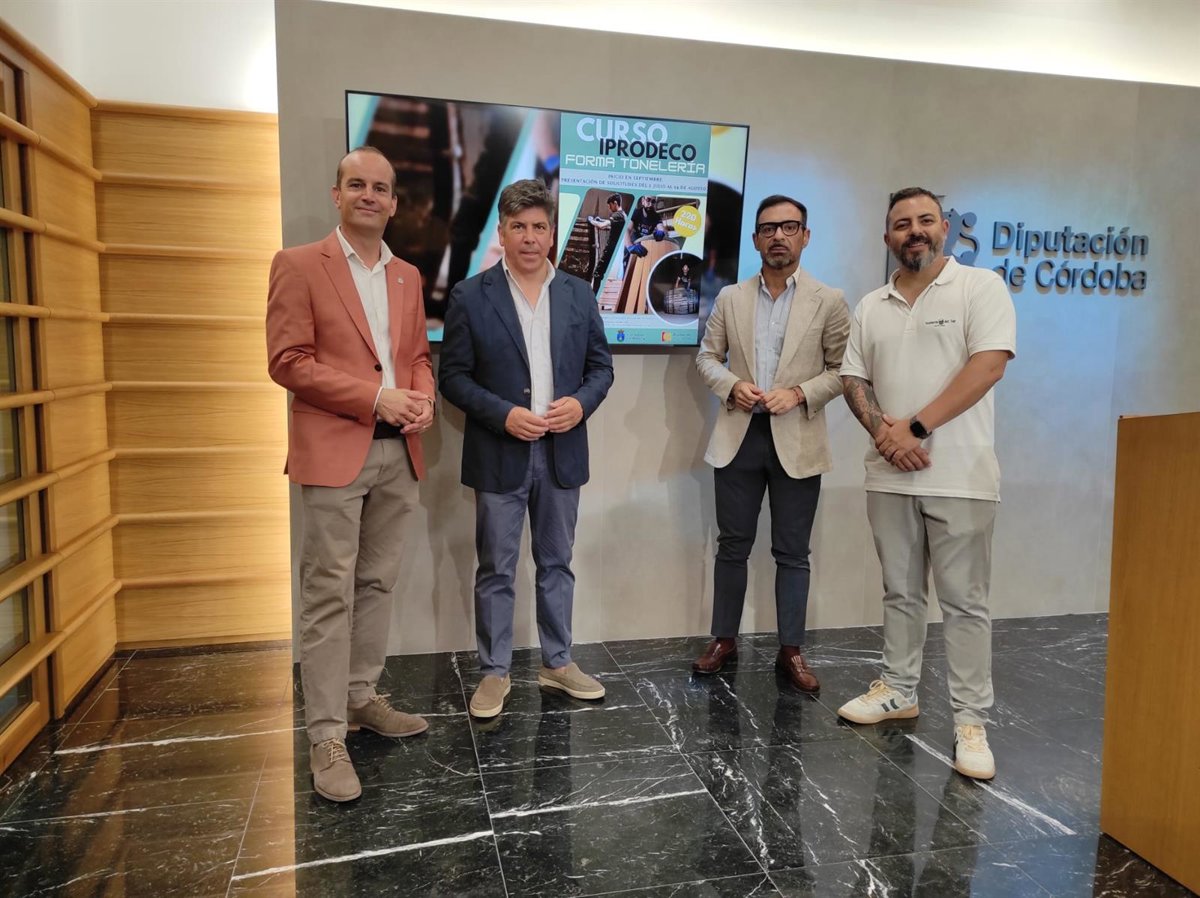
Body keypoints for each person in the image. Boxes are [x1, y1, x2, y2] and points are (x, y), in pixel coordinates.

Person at [265, 146, 435, 802]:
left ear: (393, 203)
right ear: (336, 194)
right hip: (336, 449)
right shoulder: (299, 264)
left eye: (381, 188)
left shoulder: (407, 276)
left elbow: (416, 356)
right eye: (357, 184)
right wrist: (376, 398)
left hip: (401, 451)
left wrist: (419, 397)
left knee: (377, 583)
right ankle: (326, 735)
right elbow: (288, 361)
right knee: (328, 593)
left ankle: (361, 698)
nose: (370, 195)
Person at [837, 187, 1016, 781]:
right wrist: (886, 435)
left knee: (964, 602)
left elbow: (988, 365)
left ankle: (971, 721)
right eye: (901, 223)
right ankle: (898, 689)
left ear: (945, 228)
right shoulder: (872, 304)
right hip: (889, 476)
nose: (913, 230)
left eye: (924, 220)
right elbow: (854, 379)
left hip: (961, 475)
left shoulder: (980, 287)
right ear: (887, 236)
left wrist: (915, 427)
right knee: (900, 593)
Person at [439, 178, 614, 719]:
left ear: (552, 233)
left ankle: (557, 662)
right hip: (499, 452)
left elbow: (601, 369)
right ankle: (494, 672)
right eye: (519, 226)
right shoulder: (471, 295)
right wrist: (503, 414)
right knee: (496, 568)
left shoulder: (579, 294)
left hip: (562, 455)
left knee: (557, 563)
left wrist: (580, 404)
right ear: (502, 231)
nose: (530, 237)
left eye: (539, 226)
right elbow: (453, 378)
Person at [693, 195, 849, 691]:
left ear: (805, 236)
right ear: (756, 239)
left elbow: (843, 370)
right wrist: (731, 385)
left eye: (789, 227)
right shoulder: (730, 298)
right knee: (731, 546)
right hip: (739, 435)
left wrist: (799, 393)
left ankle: (791, 650)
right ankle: (724, 639)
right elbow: (707, 358)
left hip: (798, 437)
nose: (778, 236)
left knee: (793, 552)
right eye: (768, 228)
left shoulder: (829, 300)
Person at [588, 193, 626, 292]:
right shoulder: (623, 215)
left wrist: (591, 221)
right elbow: (612, 223)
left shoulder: (617, 215)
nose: (609, 208)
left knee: (598, 273)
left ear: (615, 203)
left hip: (611, 249)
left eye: (610, 205)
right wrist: (600, 220)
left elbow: (602, 226)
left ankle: (594, 296)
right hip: (616, 249)